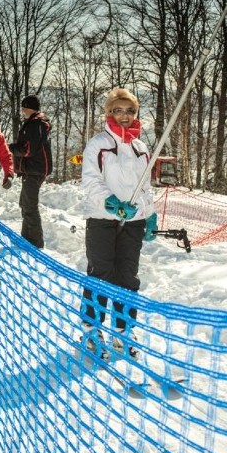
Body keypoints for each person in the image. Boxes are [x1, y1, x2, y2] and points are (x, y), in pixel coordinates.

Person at [80, 87, 157, 361]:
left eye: (130, 110)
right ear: (109, 112)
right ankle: (92, 329)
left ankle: (123, 331)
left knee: (127, 277)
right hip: (103, 219)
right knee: (101, 274)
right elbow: (90, 180)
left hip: (133, 222)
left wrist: (149, 214)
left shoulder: (141, 148)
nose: (124, 116)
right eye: (118, 110)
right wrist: (111, 202)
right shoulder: (99, 143)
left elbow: (145, 187)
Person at [9, 95, 52, 249]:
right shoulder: (36, 123)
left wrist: (11, 148)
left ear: (28, 108)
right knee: (25, 203)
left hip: (34, 170)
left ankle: (35, 243)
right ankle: (26, 238)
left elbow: (27, 149)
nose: (22, 111)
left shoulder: (35, 125)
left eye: (23, 108)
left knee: (30, 206)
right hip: (32, 170)